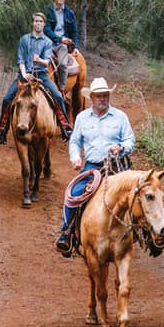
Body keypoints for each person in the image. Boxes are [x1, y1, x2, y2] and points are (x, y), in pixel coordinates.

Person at [56, 77, 135, 254]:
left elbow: (130, 139)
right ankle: (66, 233)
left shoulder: (120, 116)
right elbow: (75, 142)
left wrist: (121, 147)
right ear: (91, 97)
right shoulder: (82, 118)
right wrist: (75, 157)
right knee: (74, 194)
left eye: (105, 95)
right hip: (92, 167)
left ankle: (148, 234)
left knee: (140, 192)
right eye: (99, 96)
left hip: (118, 165)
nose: (102, 99)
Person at [0, 12, 73, 144]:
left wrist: (38, 59)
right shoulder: (24, 39)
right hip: (24, 75)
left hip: (41, 76)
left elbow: (47, 62)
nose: (38, 23)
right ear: (32, 23)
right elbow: (20, 60)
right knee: (7, 99)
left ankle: (65, 128)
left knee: (57, 96)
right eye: (36, 21)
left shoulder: (47, 41)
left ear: (44, 24)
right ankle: (1, 132)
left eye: (40, 21)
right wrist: (24, 74)